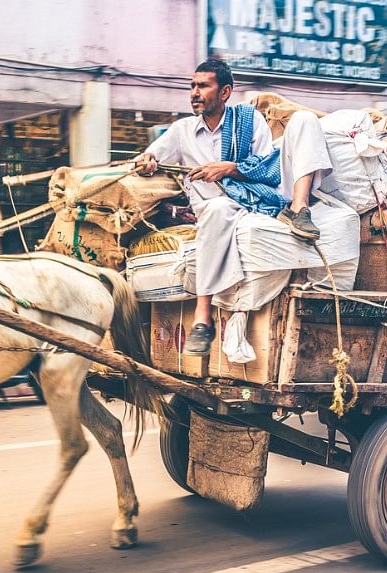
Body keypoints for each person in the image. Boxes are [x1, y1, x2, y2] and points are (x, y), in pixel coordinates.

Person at [136, 59, 333, 355]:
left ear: (225, 92)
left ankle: (299, 209)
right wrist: (146, 162)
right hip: (217, 209)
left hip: (259, 200)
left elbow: (268, 167)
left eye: (203, 86)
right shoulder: (181, 131)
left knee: (305, 120)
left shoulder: (248, 119)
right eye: (192, 86)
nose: (194, 92)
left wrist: (228, 169)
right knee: (216, 208)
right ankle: (203, 320)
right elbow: (147, 160)